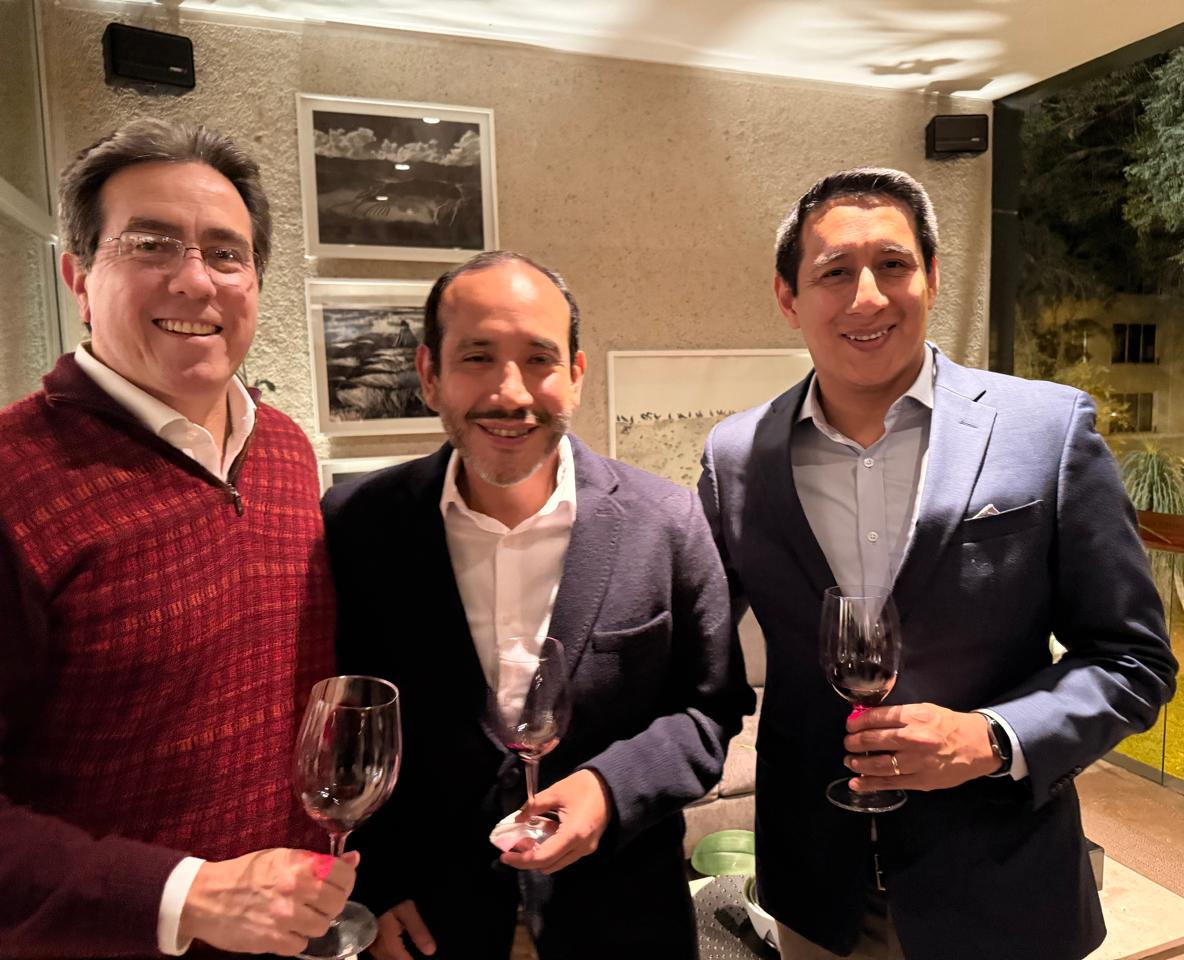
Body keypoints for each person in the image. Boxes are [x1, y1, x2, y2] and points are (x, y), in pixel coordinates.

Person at [697, 168, 1178, 960]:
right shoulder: (737, 456)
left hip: (1002, 885)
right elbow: (695, 655)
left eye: (893, 265)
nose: (867, 297)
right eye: (834, 272)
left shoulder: (1046, 429)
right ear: (789, 297)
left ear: (932, 278)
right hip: (817, 891)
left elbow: (1133, 662)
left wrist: (992, 737)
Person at [322, 250, 754, 960]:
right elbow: (340, 728)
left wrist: (609, 789)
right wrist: (378, 878)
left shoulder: (668, 523)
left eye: (539, 360)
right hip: (428, 925)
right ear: (429, 374)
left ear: (575, 374)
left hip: (621, 923)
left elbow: (711, 710)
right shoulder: (356, 525)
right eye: (477, 357)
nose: (510, 392)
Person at [0, 118, 356, 958]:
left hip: (292, 930)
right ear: (78, 278)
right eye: (151, 245)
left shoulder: (286, 451)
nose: (196, 280)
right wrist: (181, 895)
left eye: (227, 254)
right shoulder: (13, 483)